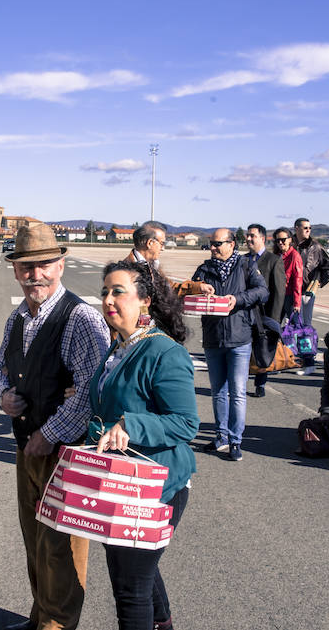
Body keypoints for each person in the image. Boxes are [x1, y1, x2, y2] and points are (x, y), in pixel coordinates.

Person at [0, 222, 108, 630]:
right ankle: (39, 615)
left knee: (62, 549)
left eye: (43, 265)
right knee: (35, 542)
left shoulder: (81, 319)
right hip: (29, 450)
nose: (34, 275)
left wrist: (48, 434)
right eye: (25, 267)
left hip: (65, 454)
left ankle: (57, 624)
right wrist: (1, 395)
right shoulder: (17, 318)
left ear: (60, 265)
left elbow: (92, 394)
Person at [89, 260, 198, 630]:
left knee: (130, 586)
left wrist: (129, 425)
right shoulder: (118, 347)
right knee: (139, 572)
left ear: (145, 301)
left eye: (118, 291)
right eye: (105, 291)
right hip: (121, 480)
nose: (108, 299)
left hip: (156, 487)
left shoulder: (165, 353)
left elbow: (186, 424)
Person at [190, 228, 268, 462]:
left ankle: (235, 440)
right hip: (213, 338)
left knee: (237, 393)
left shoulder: (245, 266)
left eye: (217, 244)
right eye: (211, 244)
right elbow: (189, 292)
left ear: (232, 244)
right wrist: (198, 289)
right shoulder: (204, 268)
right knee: (218, 392)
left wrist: (238, 299)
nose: (213, 248)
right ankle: (220, 436)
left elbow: (263, 291)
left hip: (239, 337)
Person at [245, 224, 285, 398]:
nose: (248, 239)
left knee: (262, 350)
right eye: (247, 236)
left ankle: (260, 383)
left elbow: (279, 292)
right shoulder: (243, 259)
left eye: (252, 236)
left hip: (264, 316)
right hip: (244, 315)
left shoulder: (273, 260)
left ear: (262, 238)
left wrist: (273, 320)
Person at [293, 218, 329, 375]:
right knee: (291, 327)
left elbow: (327, 267)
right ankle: (296, 357)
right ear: (296, 228)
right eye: (305, 227)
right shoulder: (289, 244)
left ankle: (308, 361)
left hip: (306, 292)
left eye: (309, 228)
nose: (308, 230)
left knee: (305, 327)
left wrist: (318, 284)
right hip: (290, 291)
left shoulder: (315, 246)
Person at [125, 221, 205, 296]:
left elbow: (169, 288)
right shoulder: (125, 270)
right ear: (150, 243)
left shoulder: (152, 266)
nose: (163, 248)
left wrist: (198, 287)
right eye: (161, 243)